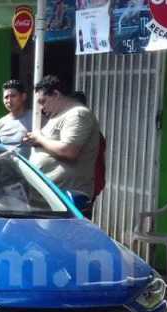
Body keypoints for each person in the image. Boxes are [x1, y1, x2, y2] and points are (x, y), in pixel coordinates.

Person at [24, 75, 102, 217]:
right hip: (50, 195)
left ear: (56, 94)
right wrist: (36, 140)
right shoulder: (58, 115)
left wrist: (40, 138)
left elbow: (69, 150)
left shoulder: (77, 114)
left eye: (43, 101)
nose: (41, 107)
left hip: (66, 197)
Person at [0, 79, 33, 158]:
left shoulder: (35, 118)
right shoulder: (1, 122)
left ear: (23, 96)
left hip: (27, 169)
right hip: (6, 168)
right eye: (6, 97)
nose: (9, 100)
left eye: (13, 96)